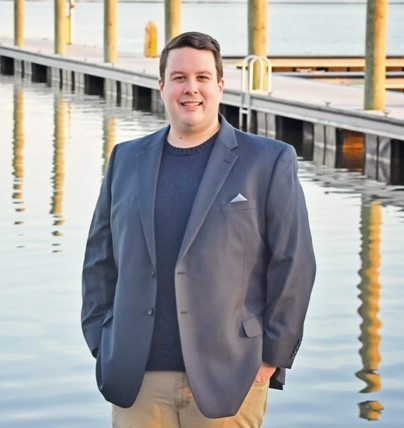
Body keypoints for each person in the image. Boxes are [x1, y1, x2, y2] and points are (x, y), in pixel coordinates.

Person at [81, 31, 316, 428]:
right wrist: (103, 340)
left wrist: (271, 358)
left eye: (203, 78)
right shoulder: (126, 160)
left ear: (221, 85)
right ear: (162, 86)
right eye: (179, 78)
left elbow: (294, 265)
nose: (192, 89)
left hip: (231, 378)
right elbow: (100, 261)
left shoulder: (268, 161)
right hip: (137, 382)